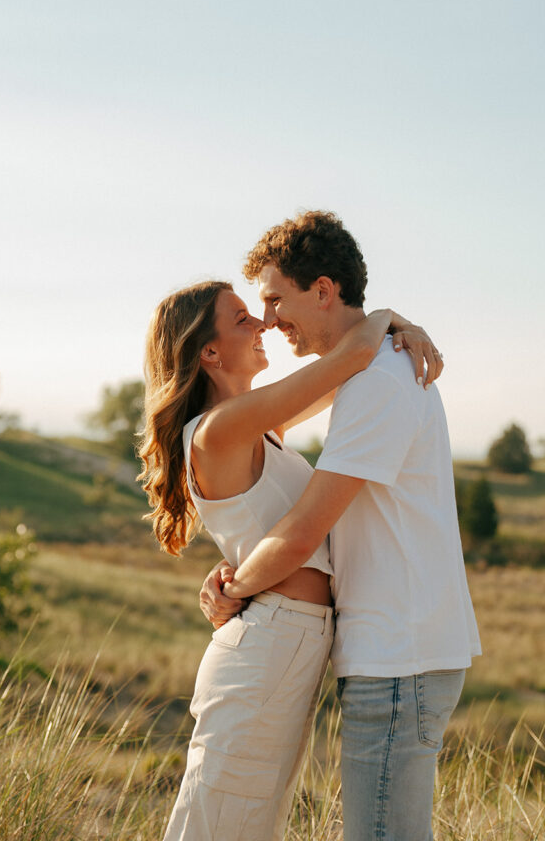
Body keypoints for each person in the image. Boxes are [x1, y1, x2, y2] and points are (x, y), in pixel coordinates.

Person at [201, 210, 481, 841]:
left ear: (323, 290)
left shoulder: (378, 380)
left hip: (398, 654)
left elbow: (305, 529)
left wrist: (231, 589)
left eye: (275, 299)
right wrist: (386, 318)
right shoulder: (372, 368)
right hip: (395, 650)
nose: (269, 318)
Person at [138, 277, 441, 841]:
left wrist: (393, 329)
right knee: (220, 820)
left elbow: (352, 369)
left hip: (288, 641)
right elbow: (350, 355)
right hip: (266, 643)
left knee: (253, 822)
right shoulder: (217, 431)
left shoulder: (259, 429)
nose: (263, 324)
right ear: (209, 352)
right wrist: (391, 316)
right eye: (241, 319)